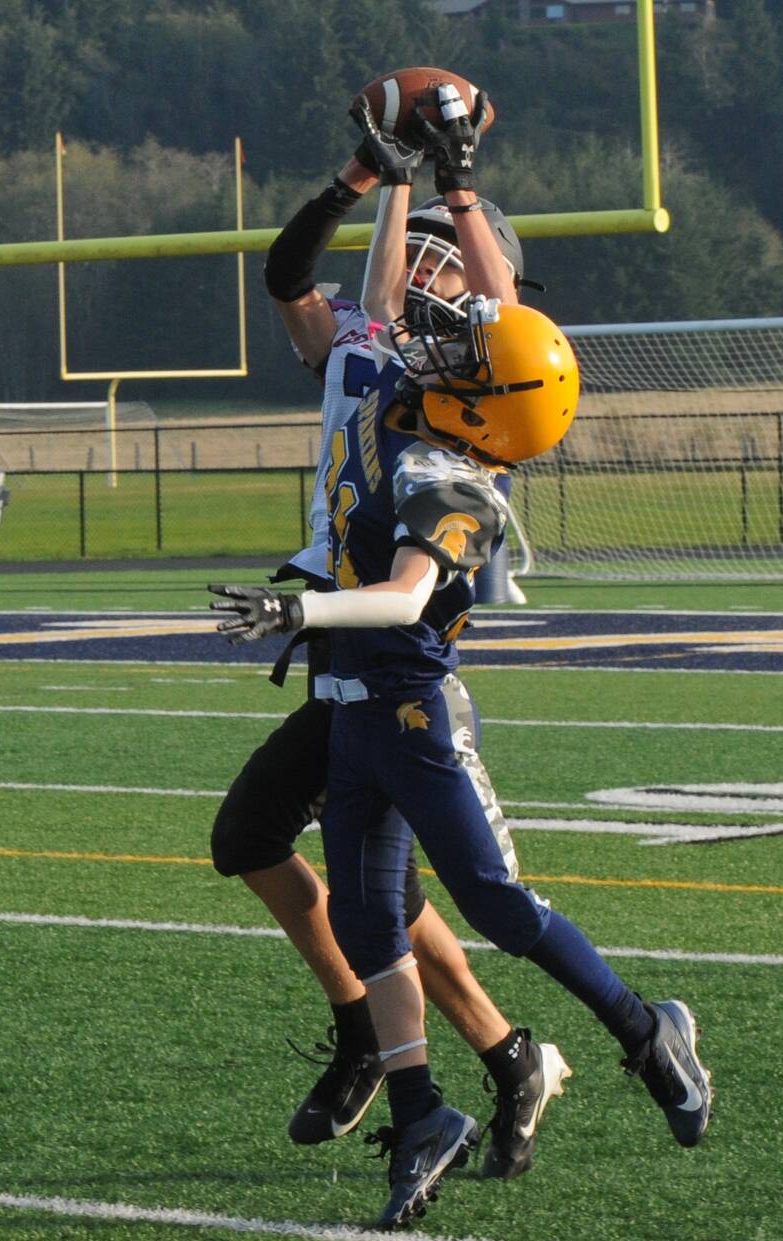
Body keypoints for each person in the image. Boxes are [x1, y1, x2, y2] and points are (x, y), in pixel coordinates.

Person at [211, 87, 711, 1231]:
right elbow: (375, 300)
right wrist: (388, 179)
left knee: (484, 897)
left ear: (484, 384)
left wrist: (449, 188)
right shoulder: (398, 371)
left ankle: (634, 1030)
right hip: (349, 695)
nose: (430, 315)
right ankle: (424, 1099)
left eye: (456, 315)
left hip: (403, 689)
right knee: (368, 920)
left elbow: (399, 589)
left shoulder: (455, 463)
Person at [212, 90, 567, 1182]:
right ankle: (502, 1056)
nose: (415, 271)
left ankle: (429, 1045)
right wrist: (366, 177)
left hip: (394, 662)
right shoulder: (365, 353)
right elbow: (287, 280)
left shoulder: (465, 384)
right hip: (337, 650)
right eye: (405, 258)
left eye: (438, 261)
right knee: (332, 874)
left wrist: (446, 186)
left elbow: (493, 308)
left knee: (352, 876)